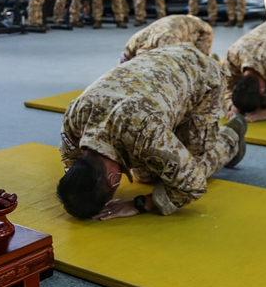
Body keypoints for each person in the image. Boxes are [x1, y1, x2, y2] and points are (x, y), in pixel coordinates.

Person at [57, 44, 247, 220]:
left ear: (113, 179)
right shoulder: (75, 119)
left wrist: (139, 204)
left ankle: (231, 137)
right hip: (158, 64)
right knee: (147, 176)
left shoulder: (144, 134)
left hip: (201, 75)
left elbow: (192, 185)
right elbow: (70, 161)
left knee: (192, 163)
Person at [120, 14, 213, 63]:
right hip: (168, 34)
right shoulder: (206, 30)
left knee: (197, 63)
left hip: (139, 36)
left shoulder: (168, 41)